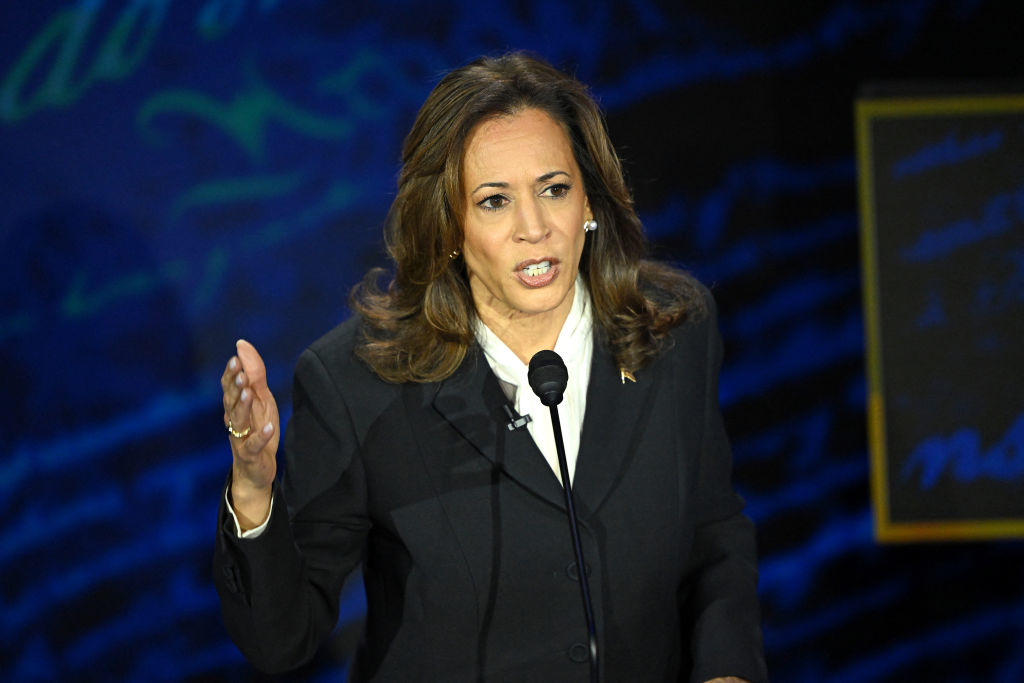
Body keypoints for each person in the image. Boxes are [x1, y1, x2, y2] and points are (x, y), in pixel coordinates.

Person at [214, 52, 767, 683]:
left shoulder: (674, 329)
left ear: (590, 198)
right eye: (495, 202)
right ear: (449, 224)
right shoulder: (357, 383)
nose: (535, 229)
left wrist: (728, 671)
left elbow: (714, 529)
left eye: (554, 190)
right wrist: (255, 492)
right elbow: (281, 640)